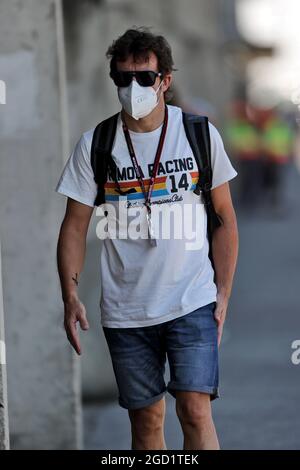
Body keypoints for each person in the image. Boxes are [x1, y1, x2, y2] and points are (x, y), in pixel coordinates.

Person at [56, 27, 239, 451]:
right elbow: (74, 226)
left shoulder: (197, 134)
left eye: (144, 78)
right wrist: (70, 295)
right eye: (123, 78)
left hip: (191, 299)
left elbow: (225, 218)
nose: (133, 88)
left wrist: (223, 292)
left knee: (195, 410)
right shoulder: (96, 145)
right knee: (147, 422)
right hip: (127, 310)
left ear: (165, 81)